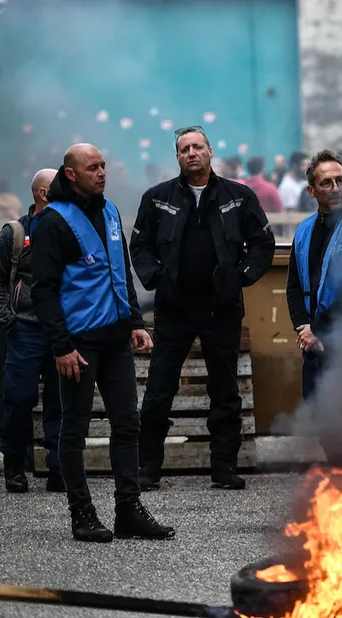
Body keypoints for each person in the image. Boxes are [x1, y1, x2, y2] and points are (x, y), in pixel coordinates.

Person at [31, 143, 174, 542]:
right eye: (92, 168)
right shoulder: (53, 222)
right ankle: (82, 514)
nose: (102, 173)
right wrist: (60, 346)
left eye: (104, 166)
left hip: (114, 340)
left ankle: (128, 510)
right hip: (78, 344)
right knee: (74, 431)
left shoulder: (110, 211)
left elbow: (120, 272)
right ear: (71, 174)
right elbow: (42, 291)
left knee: (128, 425)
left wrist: (134, 321)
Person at [130, 126, 275, 491]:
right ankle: (147, 468)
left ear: (210, 152)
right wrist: (158, 279)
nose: (191, 153)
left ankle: (223, 467)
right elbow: (140, 246)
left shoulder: (239, 197)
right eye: (183, 149)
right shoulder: (157, 198)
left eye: (197, 147)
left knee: (224, 389)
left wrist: (240, 277)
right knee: (160, 389)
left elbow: (263, 242)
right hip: (174, 308)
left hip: (221, 308)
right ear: (177, 157)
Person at [0, 168, 65, 494]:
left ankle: (59, 465)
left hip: (63, 331)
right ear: (43, 193)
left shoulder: (71, 229)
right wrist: (9, 320)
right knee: (19, 398)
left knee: (62, 400)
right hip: (26, 331)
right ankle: (13, 463)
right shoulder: (15, 233)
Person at [285, 150, 342, 471]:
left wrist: (317, 330)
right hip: (314, 342)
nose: (335, 188)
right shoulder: (304, 230)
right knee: (321, 414)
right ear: (311, 190)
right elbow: (294, 286)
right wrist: (302, 327)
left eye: (340, 181)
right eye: (326, 183)